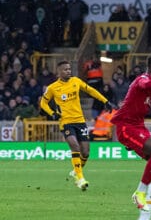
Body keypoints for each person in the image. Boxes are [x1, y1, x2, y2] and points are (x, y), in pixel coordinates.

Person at [110, 54, 151, 214]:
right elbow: (145, 84)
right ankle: (140, 192)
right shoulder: (142, 79)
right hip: (126, 127)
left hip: (139, 127)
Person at [39, 61, 114, 191]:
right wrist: (52, 113)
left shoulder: (76, 81)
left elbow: (91, 91)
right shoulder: (53, 88)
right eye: (65, 69)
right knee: (75, 146)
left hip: (80, 121)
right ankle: (80, 179)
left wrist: (105, 101)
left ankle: (76, 171)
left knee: (85, 152)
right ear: (59, 72)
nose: (68, 71)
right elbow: (43, 103)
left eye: (69, 69)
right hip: (66, 122)